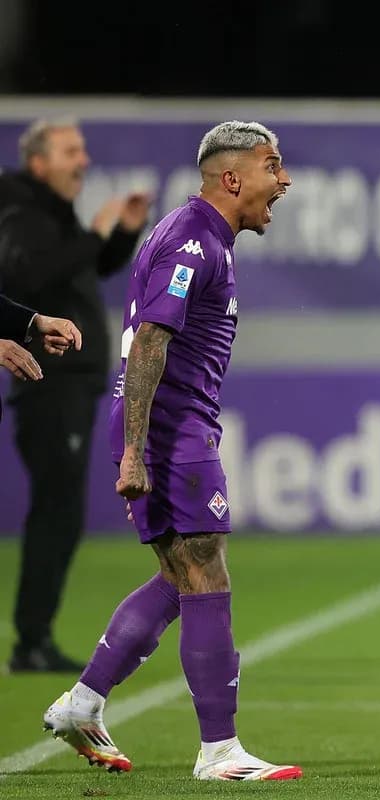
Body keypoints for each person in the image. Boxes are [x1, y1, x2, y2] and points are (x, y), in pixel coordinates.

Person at [41, 121, 301, 781]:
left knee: (179, 577)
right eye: (274, 166)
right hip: (168, 429)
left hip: (164, 427)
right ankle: (219, 750)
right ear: (233, 177)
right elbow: (153, 339)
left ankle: (83, 702)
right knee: (206, 573)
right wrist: (137, 451)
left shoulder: (202, 236)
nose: (286, 180)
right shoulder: (192, 240)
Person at [0, 118, 151, 673]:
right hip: (49, 379)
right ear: (38, 162)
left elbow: (75, 273)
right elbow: (27, 274)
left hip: (69, 379)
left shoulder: (47, 211)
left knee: (62, 513)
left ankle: (34, 638)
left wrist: (122, 234)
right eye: (70, 151)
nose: (82, 160)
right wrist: (94, 233)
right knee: (55, 513)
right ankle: (30, 640)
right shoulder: (19, 209)